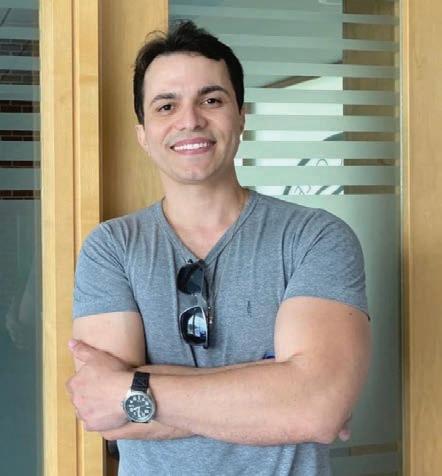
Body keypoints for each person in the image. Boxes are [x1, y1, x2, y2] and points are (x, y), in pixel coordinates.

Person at [67, 21, 371, 476]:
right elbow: (103, 409)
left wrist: (133, 389)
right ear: (143, 134)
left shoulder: (315, 236)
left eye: (211, 100)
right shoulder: (111, 248)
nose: (190, 120)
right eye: (166, 105)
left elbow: (317, 406)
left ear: (240, 117)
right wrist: (280, 390)